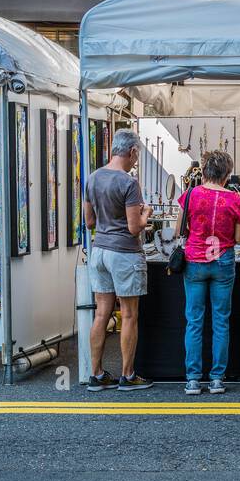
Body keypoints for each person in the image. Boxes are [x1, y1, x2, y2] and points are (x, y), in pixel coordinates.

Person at [83, 127, 152, 391]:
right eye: (136, 156)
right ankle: (128, 374)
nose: (135, 161)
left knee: (101, 313)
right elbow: (135, 227)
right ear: (132, 152)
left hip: (99, 249)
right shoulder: (128, 183)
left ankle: (97, 374)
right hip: (123, 252)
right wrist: (146, 213)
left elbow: (89, 221)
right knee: (130, 314)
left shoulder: (92, 178)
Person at [178, 149, 240, 395]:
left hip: (195, 260)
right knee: (221, 321)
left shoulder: (190, 195)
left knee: (194, 320)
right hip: (223, 262)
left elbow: (180, 230)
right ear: (227, 174)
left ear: (205, 171)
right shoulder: (236, 199)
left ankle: (193, 379)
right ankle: (217, 378)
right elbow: (239, 238)